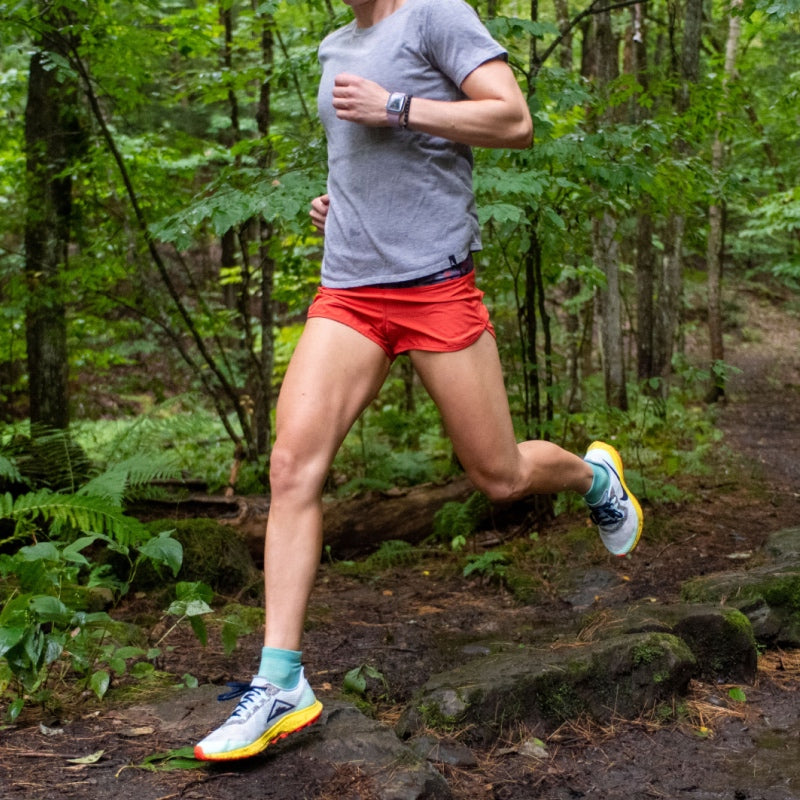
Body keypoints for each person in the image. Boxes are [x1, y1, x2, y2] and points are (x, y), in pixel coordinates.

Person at [194, 0, 643, 762]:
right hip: (350, 291)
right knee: (291, 467)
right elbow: (371, 161)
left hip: (435, 286)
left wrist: (396, 106)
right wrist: (340, 203)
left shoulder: (436, 15)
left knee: (499, 477)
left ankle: (594, 477)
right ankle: (281, 683)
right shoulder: (338, 45)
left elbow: (512, 120)